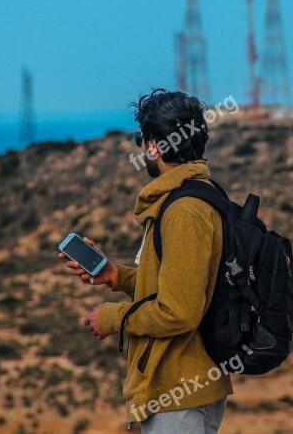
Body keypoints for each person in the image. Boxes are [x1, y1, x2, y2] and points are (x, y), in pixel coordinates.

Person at [59, 88, 230, 433]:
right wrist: (114, 276)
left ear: (154, 146)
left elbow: (179, 310)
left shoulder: (184, 211)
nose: (139, 147)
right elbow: (181, 284)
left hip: (178, 392)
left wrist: (114, 317)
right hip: (183, 388)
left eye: (141, 138)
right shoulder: (194, 197)